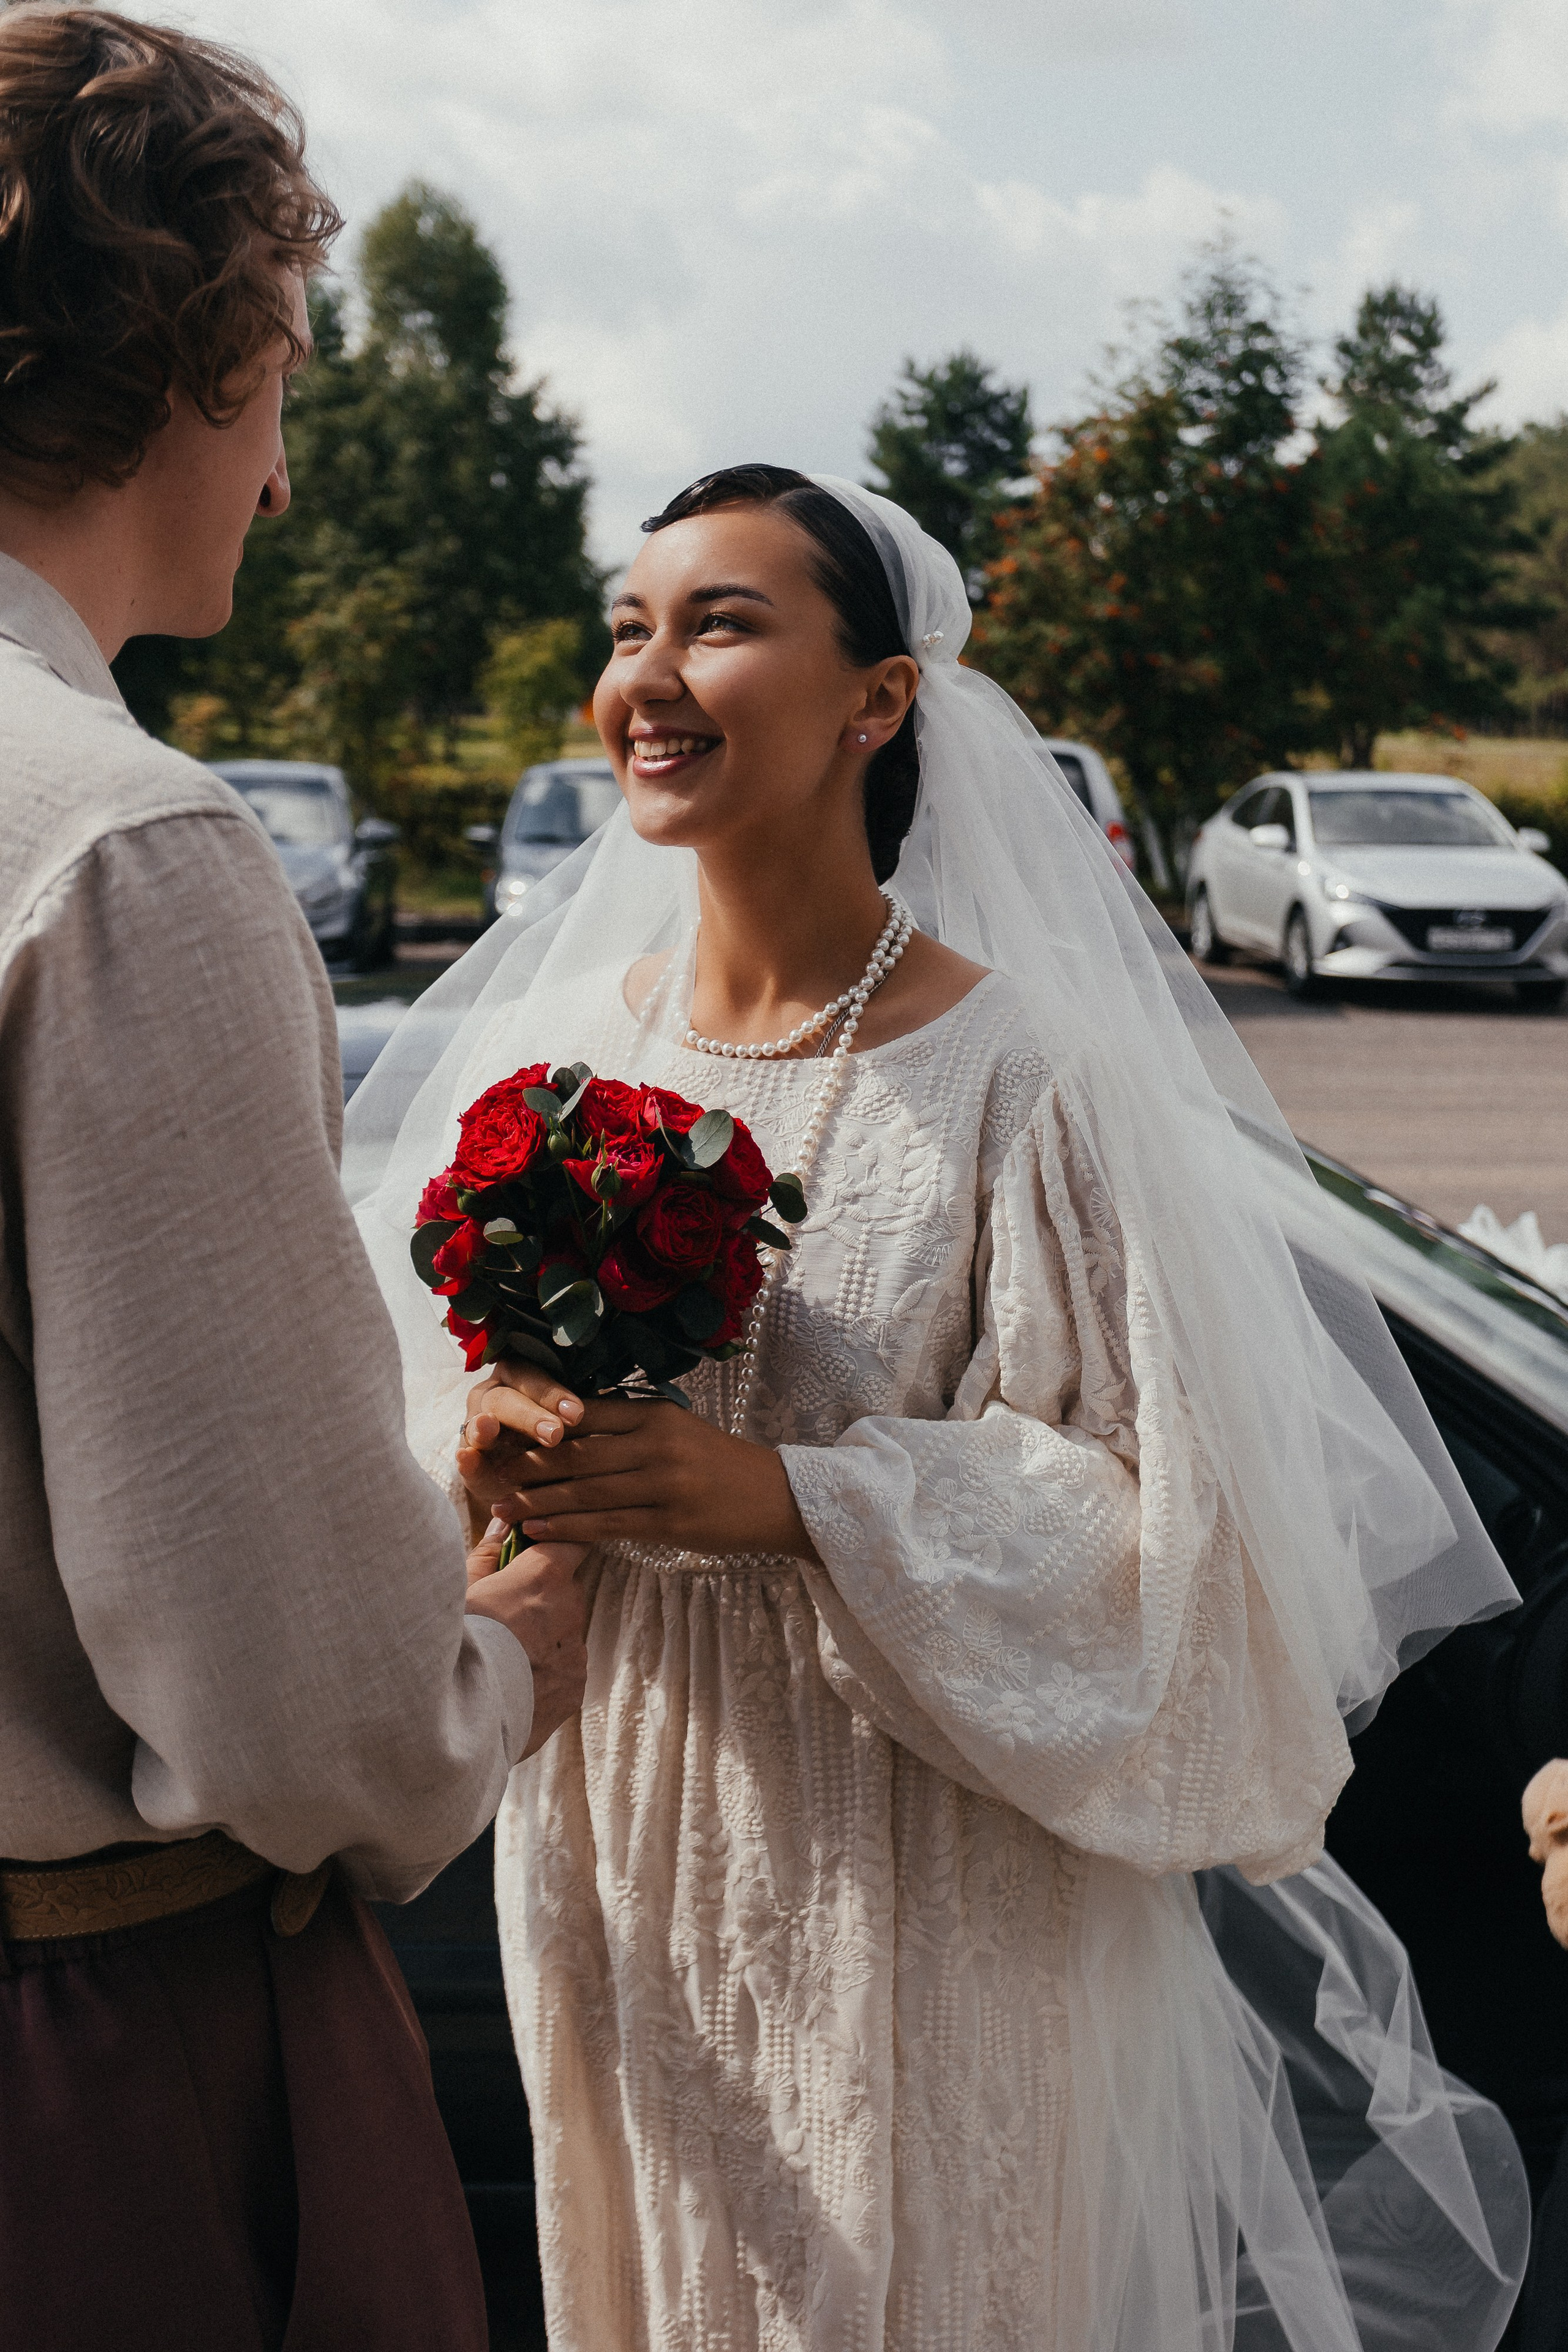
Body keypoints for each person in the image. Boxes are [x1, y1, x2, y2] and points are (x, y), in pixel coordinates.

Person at [350, 469, 1532, 2352]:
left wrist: (796, 1500)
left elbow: (1168, 1537)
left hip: (924, 1868)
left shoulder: (1029, 1079)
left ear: (879, 698)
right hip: (622, 1833)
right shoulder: (554, 1058)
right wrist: (483, 1450)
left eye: (721, 624)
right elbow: (391, 1430)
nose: (648, 674)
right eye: (632, 626)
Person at [0, 12, 586, 2349]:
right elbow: (280, 1686)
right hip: (98, 2067)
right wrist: (490, 1672)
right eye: (290, 367)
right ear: (195, 355)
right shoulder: (121, 848)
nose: (281, 464)